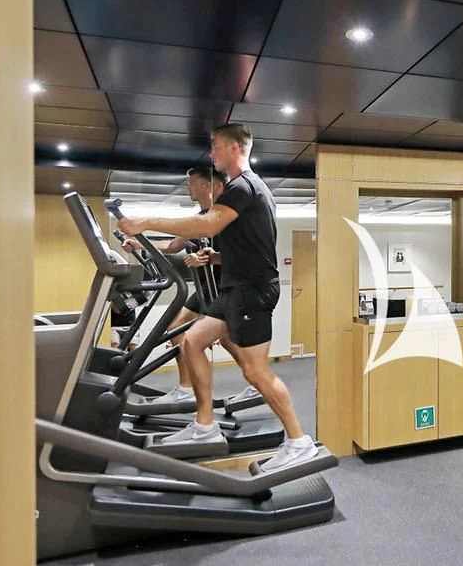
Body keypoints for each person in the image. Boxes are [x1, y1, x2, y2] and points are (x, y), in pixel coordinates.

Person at [117, 123, 316, 472]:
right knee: (190, 341)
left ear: (234, 149)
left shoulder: (243, 186)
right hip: (236, 285)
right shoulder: (248, 190)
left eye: (215, 148)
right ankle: (205, 425)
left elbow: (207, 226)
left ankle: (299, 441)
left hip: (252, 290)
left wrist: (145, 221)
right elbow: (249, 244)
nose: (211, 155)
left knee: (255, 373)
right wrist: (218, 258)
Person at [122, 167, 260, 408]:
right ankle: (191, 388)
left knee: (207, 336)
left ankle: (246, 384)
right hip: (205, 285)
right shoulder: (200, 217)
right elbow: (174, 245)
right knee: (182, 331)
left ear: (208, 185)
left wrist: (206, 258)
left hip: (225, 285)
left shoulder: (227, 218)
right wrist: (140, 245)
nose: (188, 187)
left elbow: (244, 255)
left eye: (192, 182)